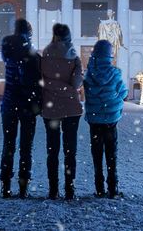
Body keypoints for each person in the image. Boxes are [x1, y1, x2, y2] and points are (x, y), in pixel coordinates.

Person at [39, 23, 83, 200]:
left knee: (52, 151)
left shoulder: (44, 55)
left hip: (51, 108)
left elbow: (41, 81)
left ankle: (53, 189)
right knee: (70, 151)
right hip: (71, 107)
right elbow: (76, 84)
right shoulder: (74, 56)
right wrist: (66, 88)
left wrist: (53, 85)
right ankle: (70, 189)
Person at [0, 18, 42, 199]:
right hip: (27, 106)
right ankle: (23, 185)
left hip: (9, 103)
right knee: (26, 147)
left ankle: (6, 185)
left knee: (8, 145)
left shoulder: (7, 48)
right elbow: (39, 83)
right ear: (29, 33)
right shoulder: (33, 55)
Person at [83, 39, 127, 199]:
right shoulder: (115, 73)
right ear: (109, 56)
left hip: (94, 119)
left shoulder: (88, 74)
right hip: (111, 119)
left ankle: (99, 188)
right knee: (111, 154)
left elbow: (87, 93)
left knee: (96, 154)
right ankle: (113, 188)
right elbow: (123, 92)